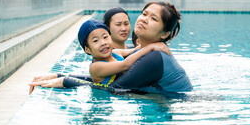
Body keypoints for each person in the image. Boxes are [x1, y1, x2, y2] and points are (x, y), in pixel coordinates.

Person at [29, 19, 170, 93]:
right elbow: (125, 64)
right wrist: (152, 46)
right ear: (88, 49)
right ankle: (64, 80)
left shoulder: (115, 52)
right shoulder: (96, 67)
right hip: (112, 91)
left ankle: (58, 75)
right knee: (94, 85)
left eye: (105, 37)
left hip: (119, 84)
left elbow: (135, 50)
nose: (103, 43)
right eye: (95, 41)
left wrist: (155, 42)